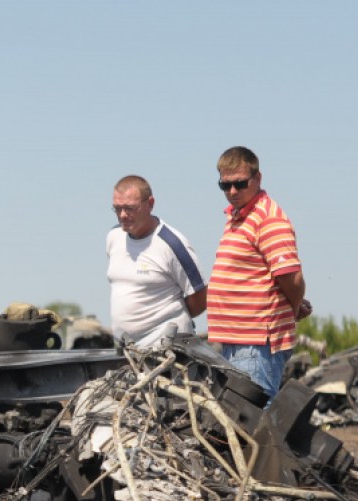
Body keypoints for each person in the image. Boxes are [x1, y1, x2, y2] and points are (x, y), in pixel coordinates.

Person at [206, 147, 311, 399]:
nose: (232, 192)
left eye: (240, 184)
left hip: (255, 345)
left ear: (258, 178)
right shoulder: (238, 217)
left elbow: (291, 277)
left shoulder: (268, 219)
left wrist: (293, 308)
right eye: (226, 185)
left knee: (252, 420)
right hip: (237, 342)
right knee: (238, 422)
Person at [106, 175, 207, 349]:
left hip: (167, 352)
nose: (123, 215)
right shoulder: (114, 237)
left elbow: (200, 297)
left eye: (130, 208)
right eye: (117, 209)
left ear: (150, 204)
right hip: (127, 351)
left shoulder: (172, 243)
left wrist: (167, 322)